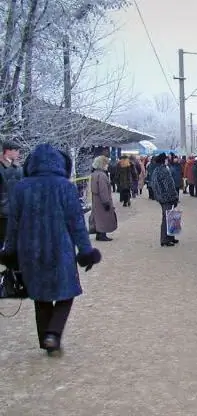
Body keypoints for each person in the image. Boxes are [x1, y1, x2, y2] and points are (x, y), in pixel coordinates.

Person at [0, 144, 101, 356]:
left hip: (30, 250)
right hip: (60, 248)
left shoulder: (21, 187)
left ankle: (46, 338)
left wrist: (9, 252)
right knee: (68, 292)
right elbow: (76, 222)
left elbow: (13, 224)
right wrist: (85, 250)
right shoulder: (66, 187)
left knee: (40, 295)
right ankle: (53, 334)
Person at [151, 153, 179, 247]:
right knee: (167, 218)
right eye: (167, 159)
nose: (168, 160)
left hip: (163, 198)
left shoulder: (157, 170)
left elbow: (154, 185)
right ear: (164, 160)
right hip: (167, 198)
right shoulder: (163, 170)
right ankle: (165, 240)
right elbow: (169, 186)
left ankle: (171, 237)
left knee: (170, 217)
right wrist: (174, 197)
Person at [89, 155, 117, 242]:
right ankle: (102, 234)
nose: (107, 165)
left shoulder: (94, 174)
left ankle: (98, 233)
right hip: (102, 200)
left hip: (96, 200)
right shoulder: (102, 175)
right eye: (106, 164)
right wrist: (106, 202)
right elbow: (103, 190)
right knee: (103, 217)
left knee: (98, 217)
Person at [0, 141, 23, 244]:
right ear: (7, 151)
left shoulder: (19, 168)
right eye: (16, 150)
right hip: (2, 213)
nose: (18, 153)